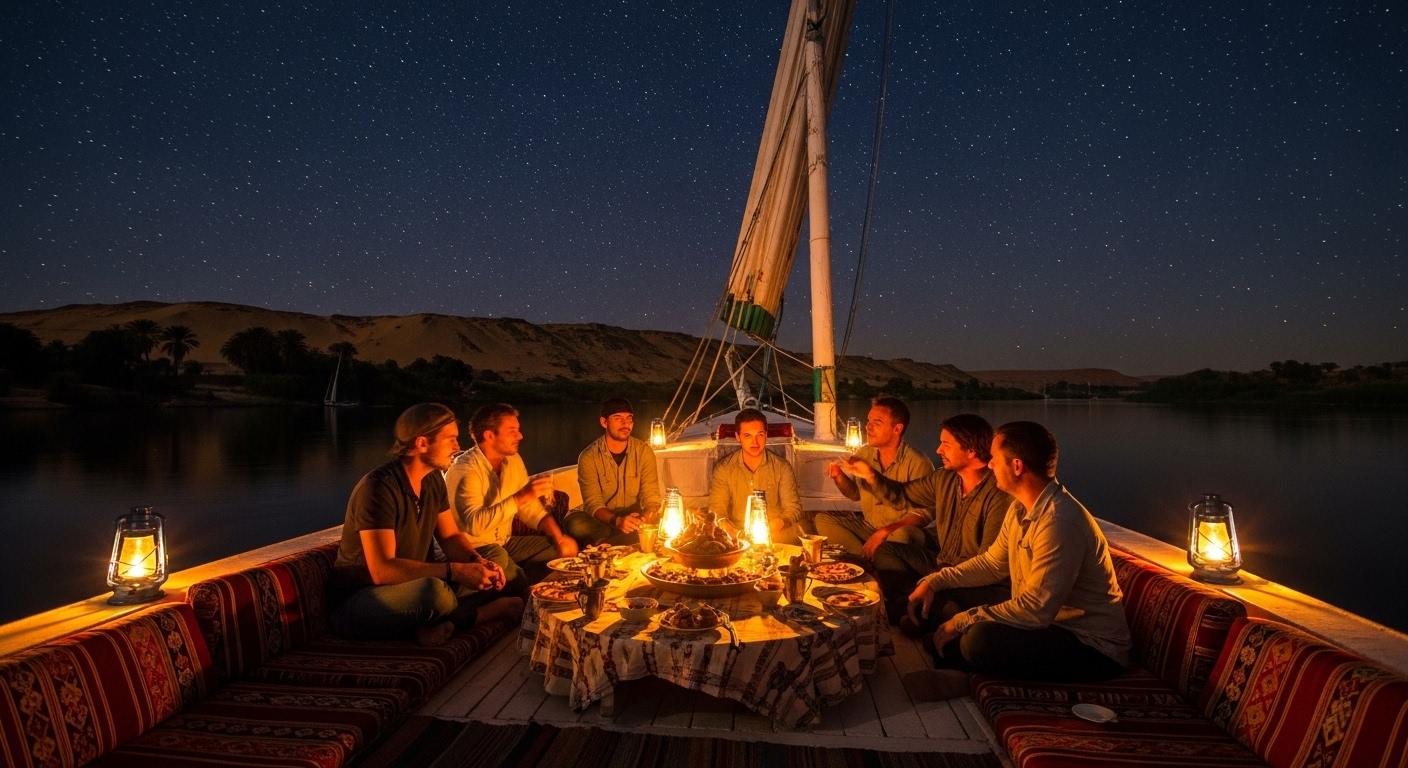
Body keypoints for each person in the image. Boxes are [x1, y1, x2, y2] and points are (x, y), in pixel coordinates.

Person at [901, 421, 1132, 702]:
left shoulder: (1059, 521)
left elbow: (1036, 608)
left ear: (1017, 466)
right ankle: (959, 662)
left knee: (978, 640)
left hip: (1089, 646)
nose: (989, 466)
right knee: (942, 597)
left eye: (995, 459)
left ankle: (969, 678)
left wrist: (962, 620)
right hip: (1044, 625)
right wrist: (935, 580)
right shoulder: (1020, 508)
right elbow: (992, 563)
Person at [330, 403, 523, 646]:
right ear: (422, 443)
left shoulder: (432, 480)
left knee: (496, 556)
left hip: (416, 582)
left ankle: (436, 623)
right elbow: (382, 570)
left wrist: (477, 562)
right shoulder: (378, 488)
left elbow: (451, 537)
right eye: (450, 439)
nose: (458, 447)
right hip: (365, 598)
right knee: (436, 593)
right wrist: (455, 571)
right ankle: (478, 615)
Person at [845, 413, 1012, 624]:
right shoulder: (944, 478)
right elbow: (902, 495)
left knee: (937, 609)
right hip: (941, 564)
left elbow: (989, 564)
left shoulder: (998, 493)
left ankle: (918, 605)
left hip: (976, 581)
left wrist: (937, 582)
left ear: (971, 451)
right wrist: (871, 475)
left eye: (945, 445)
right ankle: (912, 599)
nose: (938, 450)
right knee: (882, 549)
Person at [445, 403, 579, 585]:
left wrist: (560, 537)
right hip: (474, 549)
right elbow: (474, 525)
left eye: (518, 430)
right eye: (512, 431)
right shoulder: (465, 470)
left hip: (504, 541)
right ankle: (520, 588)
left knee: (555, 549)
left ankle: (527, 584)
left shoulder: (512, 460)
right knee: (499, 558)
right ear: (489, 435)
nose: (520, 436)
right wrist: (521, 497)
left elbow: (530, 509)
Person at [815, 396, 933, 562]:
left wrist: (885, 531)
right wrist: (838, 476)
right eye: (868, 421)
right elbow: (855, 494)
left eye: (877, 423)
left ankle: (868, 558)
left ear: (897, 429)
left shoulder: (917, 462)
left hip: (898, 531)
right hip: (869, 527)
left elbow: (925, 514)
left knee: (905, 534)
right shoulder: (865, 454)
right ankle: (865, 559)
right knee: (823, 519)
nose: (868, 427)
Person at [564, 397, 661, 545]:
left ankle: (611, 541)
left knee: (667, 519)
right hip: (603, 518)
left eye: (629, 419)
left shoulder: (644, 452)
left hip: (633, 515)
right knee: (576, 525)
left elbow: (651, 495)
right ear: (604, 422)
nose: (625, 424)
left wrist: (645, 517)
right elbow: (593, 503)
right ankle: (622, 538)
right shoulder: (588, 457)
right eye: (618, 418)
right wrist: (617, 521)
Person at [707, 408, 805, 544]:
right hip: (737, 536)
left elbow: (793, 508)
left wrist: (779, 523)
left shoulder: (782, 467)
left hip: (775, 534)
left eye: (759, 435)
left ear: (766, 435)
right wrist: (726, 526)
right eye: (748, 436)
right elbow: (717, 509)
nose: (755, 442)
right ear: (738, 437)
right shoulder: (724, 468)